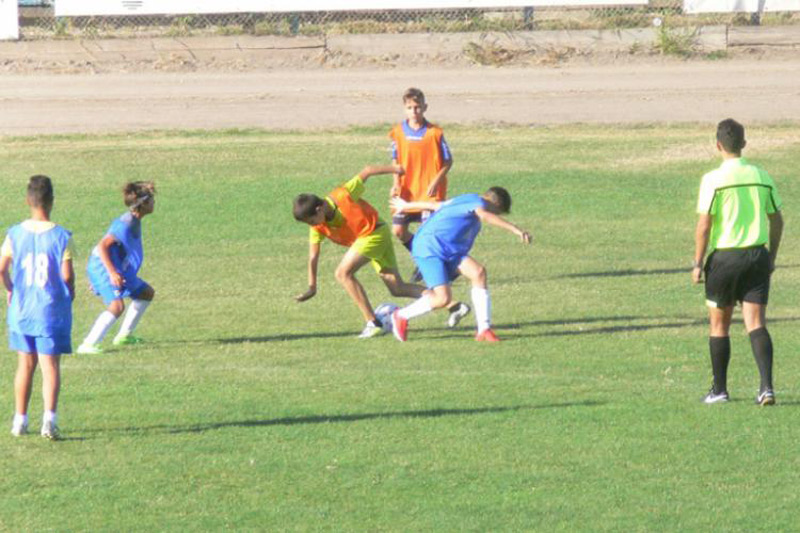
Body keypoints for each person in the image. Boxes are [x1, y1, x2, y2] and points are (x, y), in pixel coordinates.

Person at [692, 118, 784, 406]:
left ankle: (719, 390)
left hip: (724, 259)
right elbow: (777, 219)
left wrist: (697, 263)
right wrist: (771, 256)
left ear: (718, 145)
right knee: (755, 323)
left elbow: (704, 225)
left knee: (719, 325)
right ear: (744, 143)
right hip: (756, 256)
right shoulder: (761, 176)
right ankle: (766, 388)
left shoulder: (712, 180)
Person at [293, 164, 434, 338]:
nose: (312, 225)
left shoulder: (343, 194)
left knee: (342, 273)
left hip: (374, 232)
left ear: (319, 209)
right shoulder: (318, 226)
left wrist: (397, 170)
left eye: (311, 221)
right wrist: (312, 287)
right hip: (371, 239)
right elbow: (313, 256)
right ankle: (444, 300)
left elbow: (367, 171)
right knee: (397, 288)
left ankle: (373, 323)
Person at [389, 187, 531, 342]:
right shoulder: (477, 203)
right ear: (496, 205)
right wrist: (516, 230)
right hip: (430, 248)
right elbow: (485, 216)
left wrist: (407, 205)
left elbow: (436, 205)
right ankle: (401, 315)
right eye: (498, 212)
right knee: (442, 298)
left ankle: (484, 330)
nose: (496, 215)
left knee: (478, 272)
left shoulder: (466, 199)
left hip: (450, 250)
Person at [0, 176, 74, 439]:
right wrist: (70, 293)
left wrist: (11, 288)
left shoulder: (14, 233)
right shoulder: (61, 236)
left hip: (22, 310)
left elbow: (1, 269)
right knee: (49, 365)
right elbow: (66, 275)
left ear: (27, 201)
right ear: (51, 201)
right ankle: (49, 421)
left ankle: (19, 420)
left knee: (25, 364)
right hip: (49, 311)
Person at [389, 87, 470, 326]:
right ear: (404, 109)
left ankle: (437, 267)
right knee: (398, 231)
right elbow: (395, 160)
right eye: (410, 108)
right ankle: (430, 263)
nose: (414, 111)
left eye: (417, 107)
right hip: (406, 193)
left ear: (425, 107)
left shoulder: (435, 133)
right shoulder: (397, 132)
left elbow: (448, 160)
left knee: (428, 235)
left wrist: (436, 180)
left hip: (429, 195)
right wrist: (395, 184)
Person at [77, 181, 156, 354]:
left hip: (119, 266)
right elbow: (102, 246)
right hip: (105, 267)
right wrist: (111, 273)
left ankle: (124, 336)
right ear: (143, 203)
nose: (154, 202)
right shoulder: (124, 225)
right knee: (117, 306)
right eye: (151, 199)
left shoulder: (134, 220)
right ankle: (88, 344)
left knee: (146, 293)